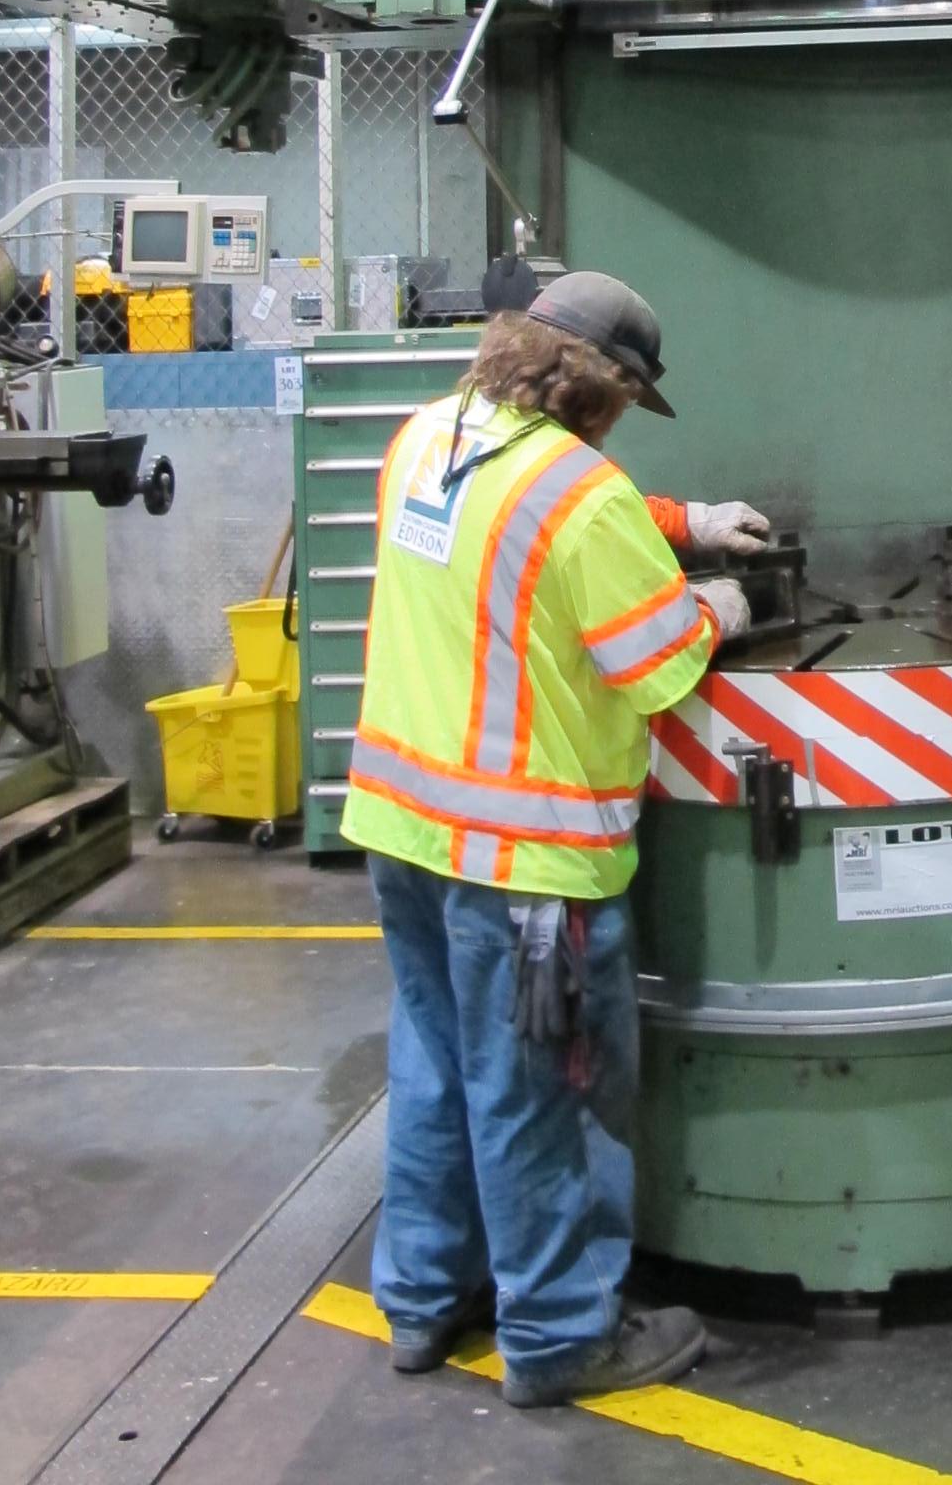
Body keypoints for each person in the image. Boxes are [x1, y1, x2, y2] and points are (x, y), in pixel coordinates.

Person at [342, 270, 770, 1407]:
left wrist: (681, 520)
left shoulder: (425, 437)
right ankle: (561, 1331)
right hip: (526, 867)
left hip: (404, 829)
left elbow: (520, 521)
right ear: (610, 389)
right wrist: (716, 603)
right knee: (549, 1095)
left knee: (436, 1069)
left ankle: (425, 1301)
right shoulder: (583, 496)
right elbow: (656, 659)